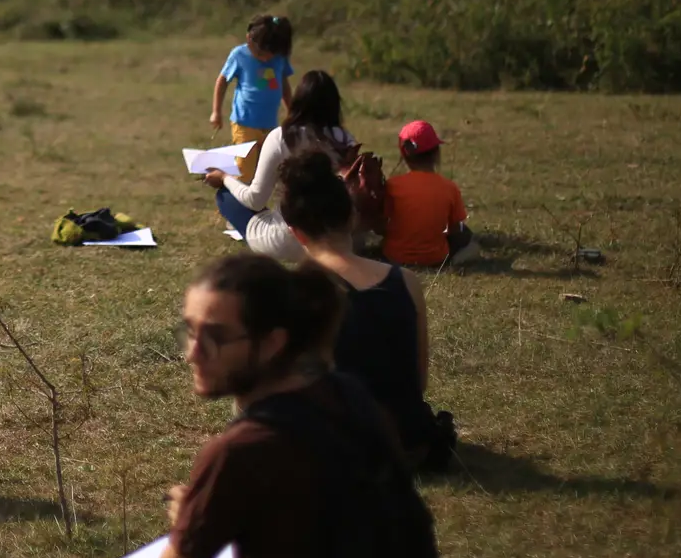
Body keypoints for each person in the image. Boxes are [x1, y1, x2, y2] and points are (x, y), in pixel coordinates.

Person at [150, 254, 436, 558]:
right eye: (190, 331)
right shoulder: (347, 395)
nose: (193, 353)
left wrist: (192, 523)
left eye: (216, 337)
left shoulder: (238, 452)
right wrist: (206, 516)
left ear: (273, 342)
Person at [278, 152, 455, 470]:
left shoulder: (293, 292)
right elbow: (419, 382)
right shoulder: (407, 281)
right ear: (352, 217)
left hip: (342, 449)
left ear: (295, 232)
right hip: (411, 443)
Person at [203, 70, 358, 260]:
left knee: (226, 197)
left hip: (286, 241)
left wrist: (224, 178)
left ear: (298, 100)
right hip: (337, 241)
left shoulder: (281, 137)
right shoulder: (345, 140)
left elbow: (256, 199)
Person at [382, 120, 481, 268]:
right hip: (435, 258)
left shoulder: (391, 185)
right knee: (468, 238)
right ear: (436, 154)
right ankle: (454, 262)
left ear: (404, 156)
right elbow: (454, 228)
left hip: (393, 257)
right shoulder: (449, 187)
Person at [208, 15, 294, 181]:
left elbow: (284, 85)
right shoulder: (239, 55)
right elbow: (222, 81)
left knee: (266, 173)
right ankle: (231, 206)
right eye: (260, 53)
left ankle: (256, 206)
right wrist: (216, 112)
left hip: (270, 126)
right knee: (243, 171)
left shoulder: (279, 59)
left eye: (269, 54)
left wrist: (292, 112)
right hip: (245, 124)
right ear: (249, 40)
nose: (264, 58)